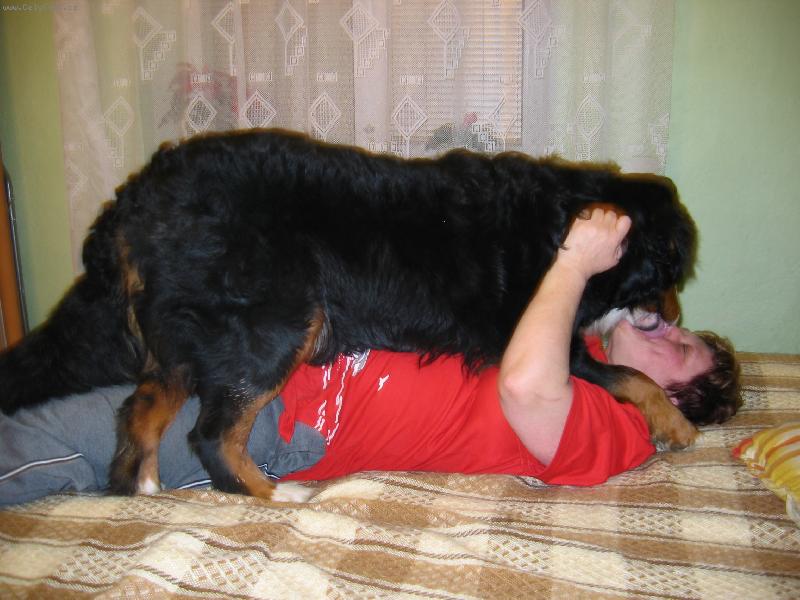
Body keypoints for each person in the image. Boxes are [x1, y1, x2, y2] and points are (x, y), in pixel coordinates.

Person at [0, 209, 740, 506]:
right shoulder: (576, 340)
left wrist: (576, 263)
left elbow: (524, 387)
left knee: (50, 437)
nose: (671, 330)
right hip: (266, 348)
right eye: (681, 329)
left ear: (677, 400)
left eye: (685, 351)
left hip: (284, 424)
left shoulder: (621, 430)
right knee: (73, 363)